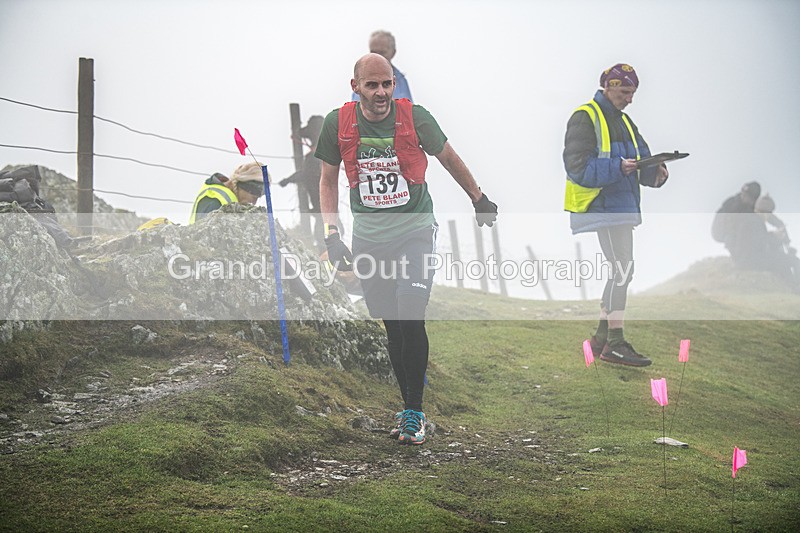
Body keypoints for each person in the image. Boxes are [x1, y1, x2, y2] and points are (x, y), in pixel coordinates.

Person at [317, 53, 498, 445]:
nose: (381, 92)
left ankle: (415, 411)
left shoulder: (416, 118)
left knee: (411, 315)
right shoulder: (337, 123)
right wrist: (332, 234)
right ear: (355, 87)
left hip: (415, 230)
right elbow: (328, 180)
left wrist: (478, 198)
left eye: (387, 84)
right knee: (393, 325)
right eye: (372, 85)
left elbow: (448, 158)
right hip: (369, 237)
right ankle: (407, 406)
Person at [563, 63, 669, 367]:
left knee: (621, 270)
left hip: (621, 207)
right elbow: (577, 167)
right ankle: (615, 343)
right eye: (625, 92)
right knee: (623, 269)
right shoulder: (585, 117)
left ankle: (601, 339)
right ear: (608, 87)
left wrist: (656, 173)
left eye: (633, 93)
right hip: (603, 205)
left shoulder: (625, 122)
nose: (630, 99)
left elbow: (640, 159)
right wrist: (618, 168)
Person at [279, 115, 324, 245]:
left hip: (322, 209)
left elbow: (305, 175)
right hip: (327, 207)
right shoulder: (326, 154)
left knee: (322, 233)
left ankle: (323, 249)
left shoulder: (314, 157)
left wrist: (287, 180)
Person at [189, 162, 265, 224]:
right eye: (253, 197)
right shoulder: (214, 201)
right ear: (243, 186)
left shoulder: (230, 200)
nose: (254, 202)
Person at [352, 30, 413, 102]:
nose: (378, 57)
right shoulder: (362, 78)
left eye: (382, 53)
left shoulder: (400, 81)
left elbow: (408, 107)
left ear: (393, 53)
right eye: (374, 52)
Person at [711, 181, 761, 246]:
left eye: (747, 196)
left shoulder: (753, 208)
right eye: (743, 193)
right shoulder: (733, 205)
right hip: (725, 234)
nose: (743, 196)